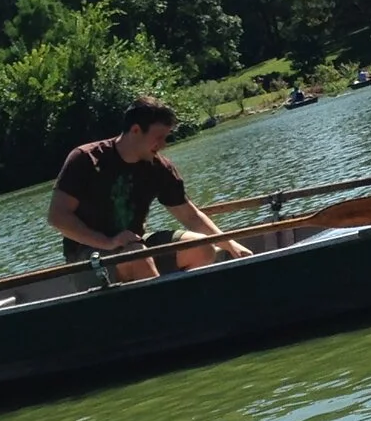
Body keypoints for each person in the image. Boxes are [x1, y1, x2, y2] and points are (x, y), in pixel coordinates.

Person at [46, 97, 250, 284]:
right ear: (135, 130)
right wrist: (108, 242)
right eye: (159, 137)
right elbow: (57, 217)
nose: (163, 145)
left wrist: (231, 245)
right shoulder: (85, 159)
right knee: (137, 254)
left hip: (136, 244)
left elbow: (191, 216)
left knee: (203, 247)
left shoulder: (159, 168)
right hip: (87, 258)